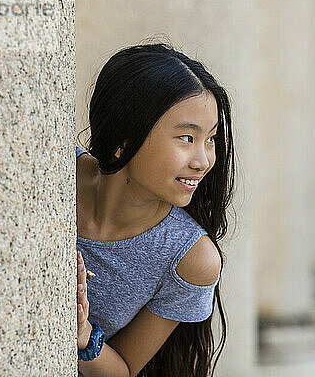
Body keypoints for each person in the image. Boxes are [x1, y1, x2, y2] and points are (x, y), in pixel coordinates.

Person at [75, 42, 236, 377]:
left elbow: (124, 369)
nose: (203, 161)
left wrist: (81, 336)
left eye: (211, 139)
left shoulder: (190, 259)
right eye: (187, 138)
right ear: (125, 137)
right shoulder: (52, 174)